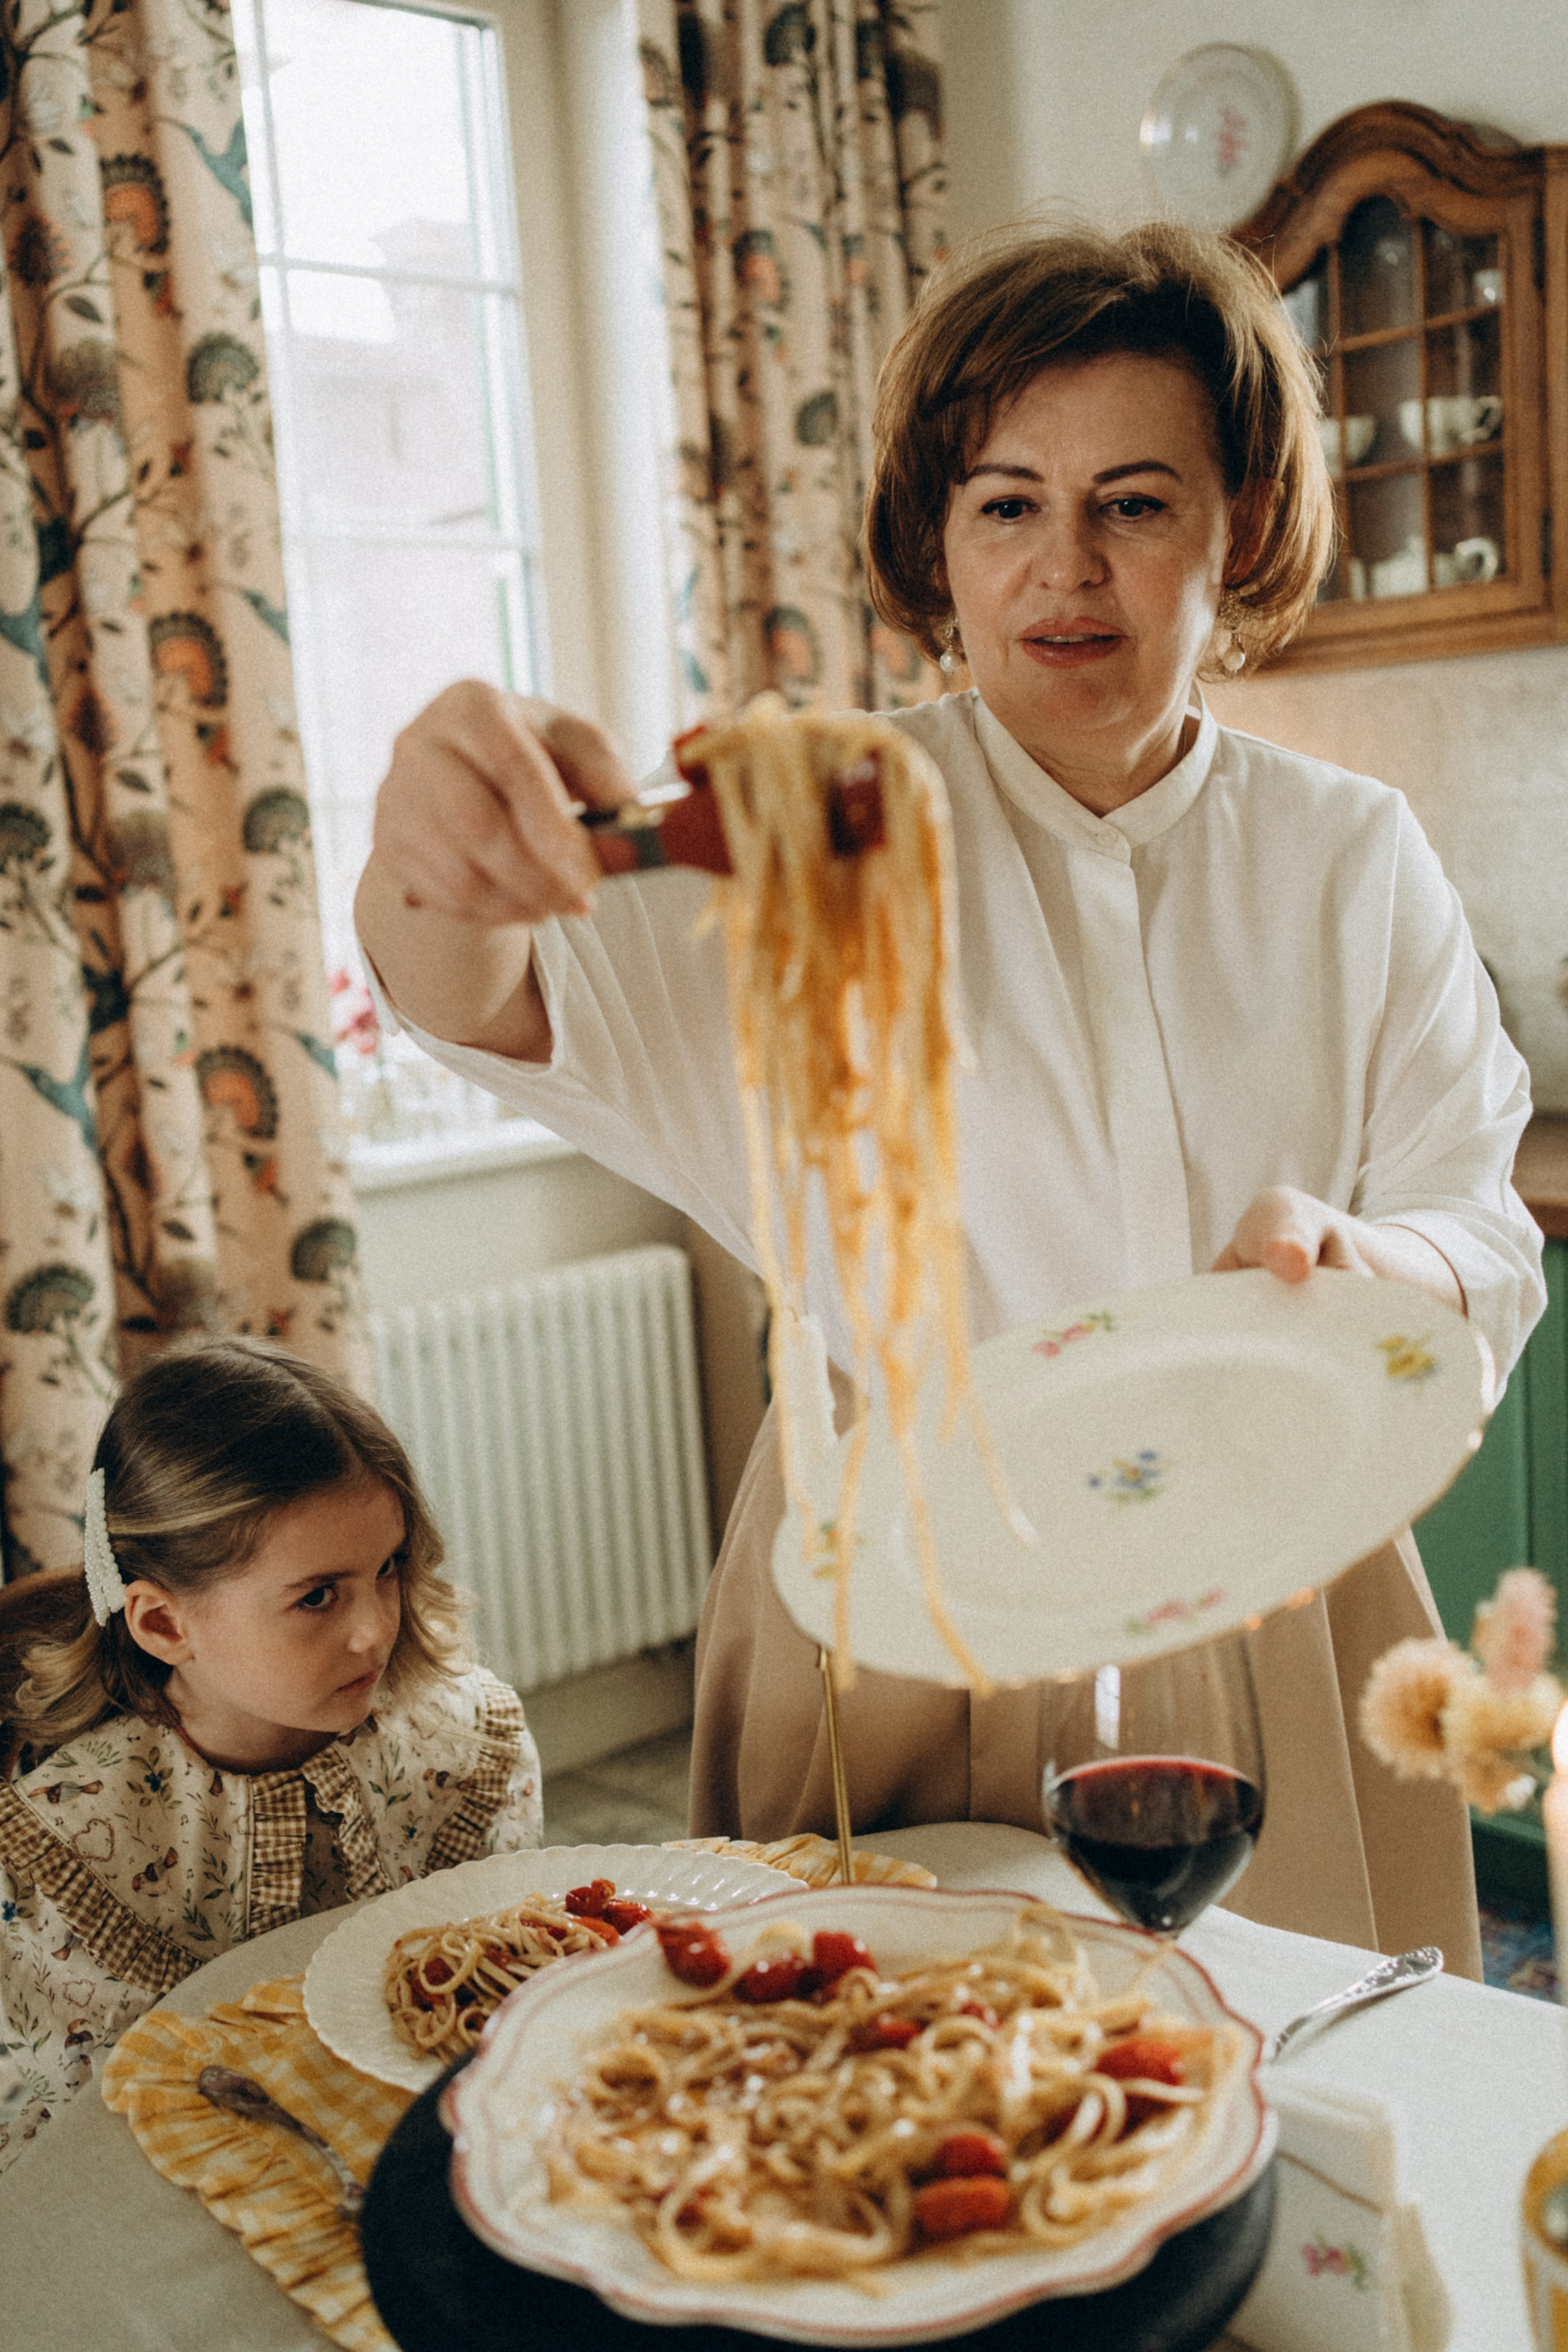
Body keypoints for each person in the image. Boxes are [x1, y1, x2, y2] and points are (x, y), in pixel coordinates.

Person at [353, 221, 1546, 1981]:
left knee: (1291, 2069)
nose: (1065, 566)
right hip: (891, 1572)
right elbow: (491, 997)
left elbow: (1479, 1223)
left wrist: (1374, 1261)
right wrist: (431, 854)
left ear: (1238, 528)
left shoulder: (1348, 854)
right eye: (1006, 504)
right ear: (940, 539)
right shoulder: (818, 831)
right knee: (881, 2083)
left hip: (1263, 1553)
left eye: (1134, 503)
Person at [0, 1338, 541, 2173]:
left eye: (388, 1568)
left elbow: (512, 2017)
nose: (376, 1629)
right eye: (317, 1596)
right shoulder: (63, 1853)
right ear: (164, 1624)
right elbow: (60, 2144)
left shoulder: (467, 1751)